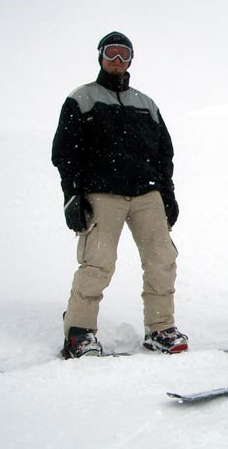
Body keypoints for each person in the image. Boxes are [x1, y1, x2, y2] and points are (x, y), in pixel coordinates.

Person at [52, 31, 188, 359]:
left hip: (146, 194)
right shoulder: (82, 98)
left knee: (162, 260)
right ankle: (79, 332)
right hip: (102, 194)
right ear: (100, 56)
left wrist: (167, 194)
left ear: (130, 60)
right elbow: (65, 153)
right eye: (111, 53)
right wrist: (72, 196)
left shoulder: (146, 104)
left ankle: (160, 329)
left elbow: (163, 154)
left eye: (123, 54)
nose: (117, 60)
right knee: (97, 263)